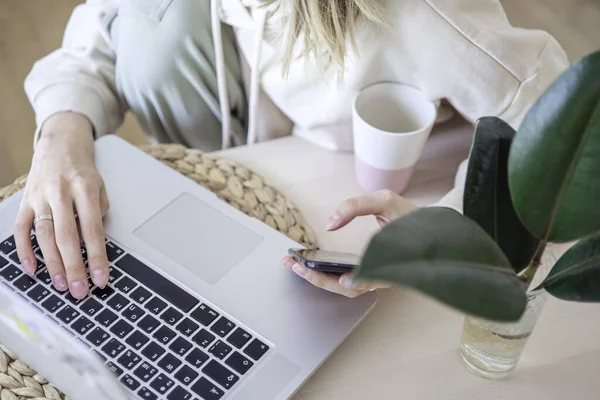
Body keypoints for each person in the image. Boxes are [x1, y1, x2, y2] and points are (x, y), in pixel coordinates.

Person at [16, 0, 568, 299]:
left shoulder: (418, 15)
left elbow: (552, 112)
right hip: (243, 149)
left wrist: (437, 234)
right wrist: (61, 139)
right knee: (148, 27)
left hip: (358, 172)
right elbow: (99, 29)